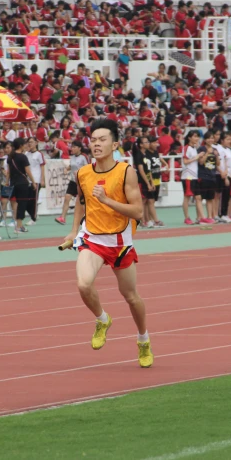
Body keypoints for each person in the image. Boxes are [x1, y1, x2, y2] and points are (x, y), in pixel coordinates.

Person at [62, 118, 153, 368]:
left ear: (115, 144)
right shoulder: (83, 173)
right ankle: (102, 319)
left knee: (131, 297)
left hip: (121, 243)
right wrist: (72, 232)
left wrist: (108, 201)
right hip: (92, 239)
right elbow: (81, 202)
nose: (96, 144)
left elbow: (137, 212)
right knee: (83, 284)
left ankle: (143, 340)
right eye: (93, 140)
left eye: (102, 140)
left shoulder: (126, 172)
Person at [55, 141, 90, 226]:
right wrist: (67, 168)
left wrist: (81, 174)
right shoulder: (72, 157)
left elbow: (88, 168)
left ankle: (88, 218)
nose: (72, 149)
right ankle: (62, 218)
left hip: (82, 182)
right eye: (72, 147)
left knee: (83, 202)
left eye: (74, 147)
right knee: (67, 197)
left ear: (79, 148)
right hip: (73, 181)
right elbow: (72, 166)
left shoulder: (84, 157)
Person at [8, 138, 38, 233]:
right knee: (22, 204)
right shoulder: (23, 157)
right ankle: (19, 226)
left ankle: (17, 225)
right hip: (22, 183)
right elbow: (28, 171)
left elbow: (9, 171)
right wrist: (33, 182)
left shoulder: (10, 157)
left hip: (13, 183)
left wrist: (7, 181)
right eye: (24, 144)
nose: (26, 145)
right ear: (21, 145)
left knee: (15, 203)